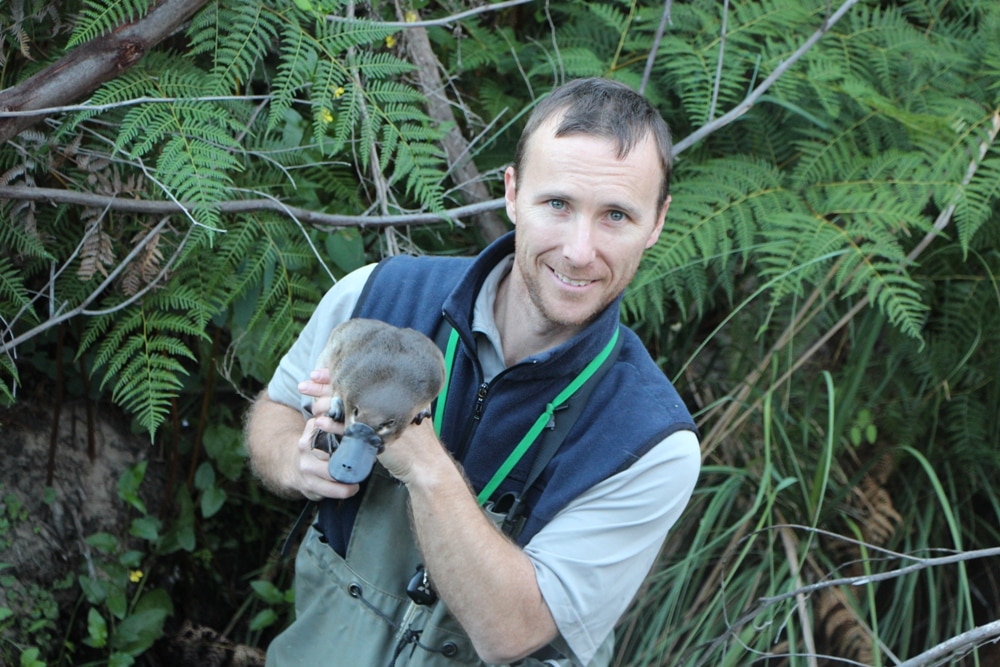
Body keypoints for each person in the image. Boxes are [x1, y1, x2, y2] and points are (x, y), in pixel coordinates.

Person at [244, 77, 701, 667]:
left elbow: (513, 633)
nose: (579, 251)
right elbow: (276, 412)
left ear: (657, 223)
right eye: (557, 205)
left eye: (616, 215)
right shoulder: (377, 295)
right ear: (512, 193)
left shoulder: (653, 443)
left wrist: (420, 459)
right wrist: (294, 459)